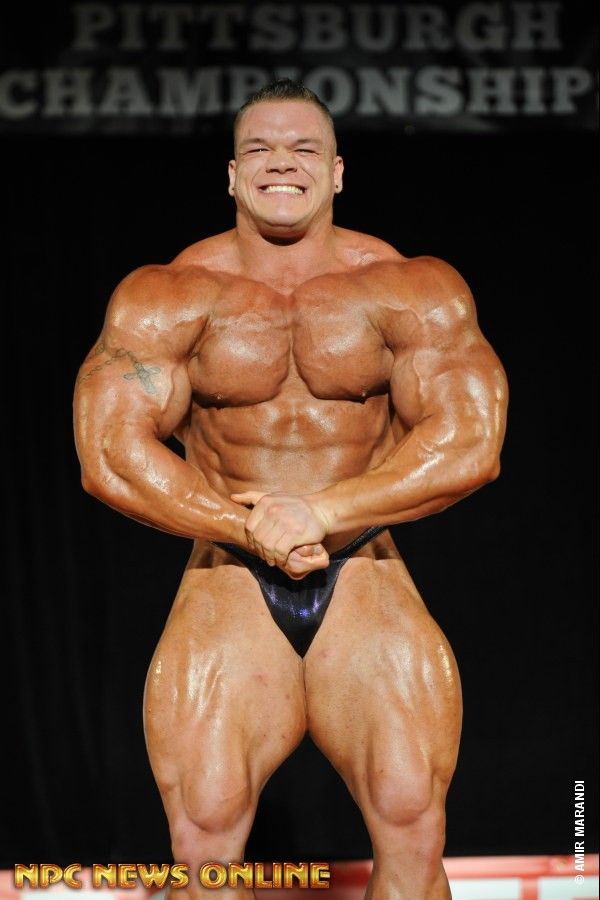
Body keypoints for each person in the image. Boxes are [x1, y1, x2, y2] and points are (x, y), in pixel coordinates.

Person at [74, 79, 507, 899]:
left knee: (412, 819)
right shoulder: (168, 296)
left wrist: (323, 510)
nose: (282, 163)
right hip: (229, 571)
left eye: (304, 149)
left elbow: (473, 442)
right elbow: (109, 452)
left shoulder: (411, 288)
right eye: (260, 150)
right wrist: (244, 526)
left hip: (363, 565)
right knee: (204, 837)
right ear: (232, 175)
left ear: (337, 172)